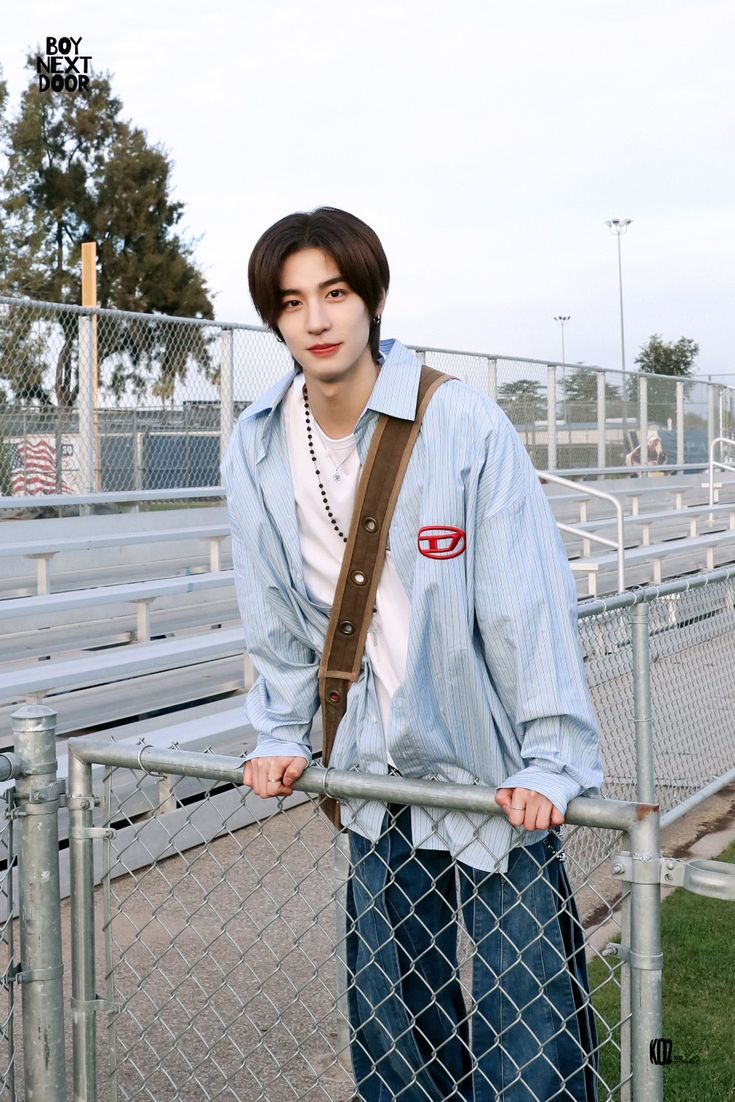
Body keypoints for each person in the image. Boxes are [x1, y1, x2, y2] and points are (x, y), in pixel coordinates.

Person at [221, 207, 604, 1101]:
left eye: (335, 293)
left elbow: (524, 603)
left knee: (531, 1042)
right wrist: (280, 733)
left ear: (371, 299)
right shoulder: (256, 444)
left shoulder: (459, 423)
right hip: (371, 778)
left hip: (490, 775)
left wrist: (549, 762)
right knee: (397, 1045)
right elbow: (276, 613)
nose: (316, 320)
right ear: (273, 320)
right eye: (291, 302)